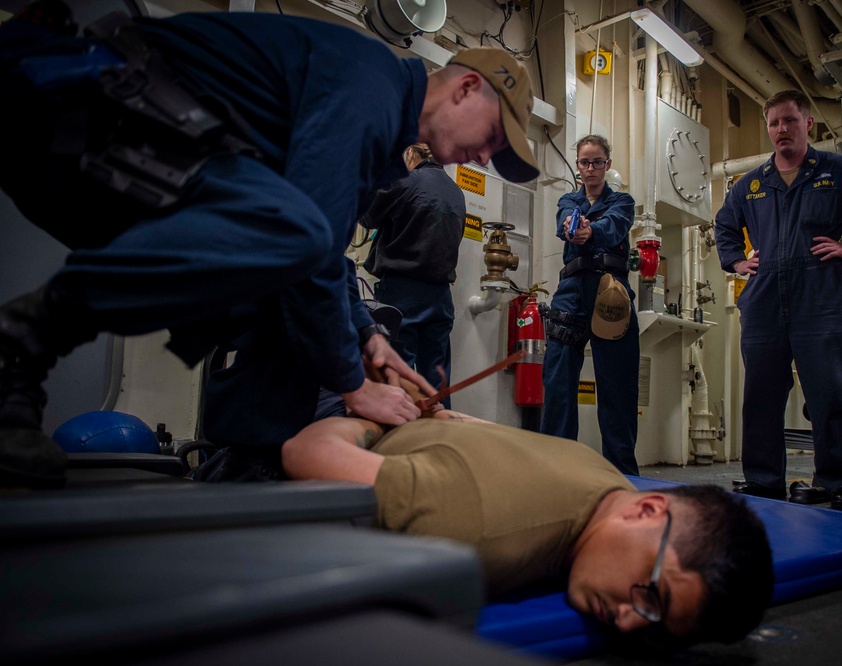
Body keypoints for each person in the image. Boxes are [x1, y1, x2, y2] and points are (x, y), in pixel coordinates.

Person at [0, 1, 539, 488]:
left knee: (295, 270)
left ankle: (248, 461)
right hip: (73, 105)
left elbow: (325, 258)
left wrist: (368, 340)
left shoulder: (379, 126)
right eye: (492, 137)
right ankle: (20, 344)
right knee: (294, 242)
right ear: (466, 88)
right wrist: (353, 383)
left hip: (136, 149)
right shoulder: (368, 86)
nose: (483, 158)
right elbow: (313, 241)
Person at [282, 409, 774, 647]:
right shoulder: (469, 532)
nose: (626, 620)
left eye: (654, 626)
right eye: (649, 596)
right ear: (647, 512)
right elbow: (304, 453)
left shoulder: (604, 476)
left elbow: (485, 430)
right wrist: (361, 417)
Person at [713, 89, 842, 511]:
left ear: (807, 123)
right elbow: (725, 224)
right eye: (775, 122)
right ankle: (763, 480)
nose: (782, 129)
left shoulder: (840, 170)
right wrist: (737, 262)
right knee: (761, 395)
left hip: (821, 295)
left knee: (832, 391)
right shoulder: (752, 184)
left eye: (790, 121)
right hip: (763, 299)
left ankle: (841, 482)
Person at [540, 135, 640, 476]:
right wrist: (574, 228)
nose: (591, 168)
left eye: (598, 162)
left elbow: (614, 227)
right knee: (557, 383)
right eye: (585, 162)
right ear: (578, 166)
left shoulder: (623, 201)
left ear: (607, 165)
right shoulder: (569, 200)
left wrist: (590, 230)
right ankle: (557, 465)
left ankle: (622, 470)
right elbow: (565, 220)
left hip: (610, 293)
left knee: (617, 386)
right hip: (571, 293)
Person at [360, 143, 467, 405]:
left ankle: (400, 441)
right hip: (441, 297)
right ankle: (440, 440)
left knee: (398, 376)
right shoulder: (456, 192)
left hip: (402, 293)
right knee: (437, 383)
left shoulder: (405, 179)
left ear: (410, 153)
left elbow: (366, 216)